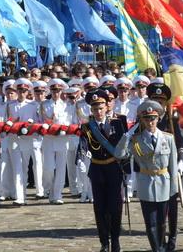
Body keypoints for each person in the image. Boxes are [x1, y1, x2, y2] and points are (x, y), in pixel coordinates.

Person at [116, 100, 178, 252]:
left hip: (164, 181)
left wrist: (174, 188)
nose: (150, 122)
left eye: (153, 118)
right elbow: (119, 154)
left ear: (158, 119)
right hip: (146, 182)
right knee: (150, 222)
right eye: (147, 118)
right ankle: (156, 249)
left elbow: (172, 165)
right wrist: (126, 136)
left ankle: (162, 246)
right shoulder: (136, 139)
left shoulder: (168, 138)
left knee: (162, 221)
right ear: (142, 120)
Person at [78, 89, 125, 252]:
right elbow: (83, 143)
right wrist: (82, 156)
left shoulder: (117, 123)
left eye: (101, 107)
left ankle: (116, 239)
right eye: (95, 108)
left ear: (106, 107)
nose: (98, 111)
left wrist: (126, 165)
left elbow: (123, 144)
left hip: (113, 168)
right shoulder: (87, 126)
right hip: (97, 168)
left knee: (115, 206)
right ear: (91, 110)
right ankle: (104, 242)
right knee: (100, 208)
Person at [147, 83, 183, 251]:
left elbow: (179, 142)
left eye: (161, 101)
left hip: (171, 168)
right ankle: (159, 240)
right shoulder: (146, 119)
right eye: (155, 100)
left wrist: (181, 161)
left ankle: (173, 236)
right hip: (153, 169)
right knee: (157, 205)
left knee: (172, 205)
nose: (159, 104)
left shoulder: (171, 117)